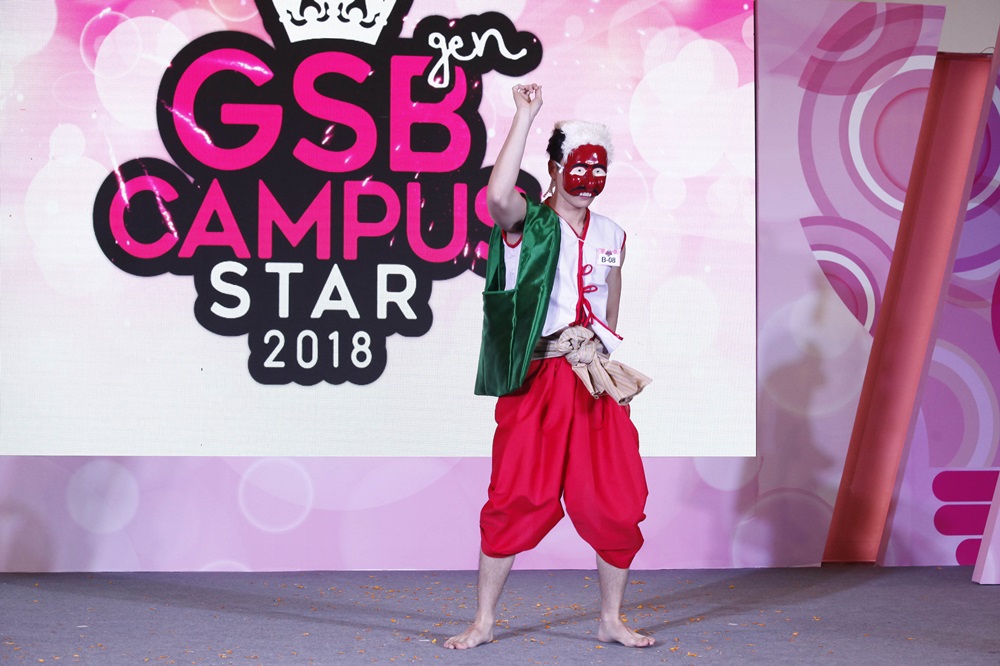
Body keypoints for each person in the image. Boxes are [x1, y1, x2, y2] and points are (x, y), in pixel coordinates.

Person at [444, 83, 653, 650]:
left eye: (599, 169)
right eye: (578, 167)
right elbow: (497, 195)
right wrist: (526, 115)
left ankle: (610, 620)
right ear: (556, 169)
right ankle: (483, 621)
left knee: (616, 498)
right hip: (539, 378)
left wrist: (600, 357)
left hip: (592, 381)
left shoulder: (612, 234)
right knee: (516, 494)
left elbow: (611, 300)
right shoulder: (527, 223)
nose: (588, 179)